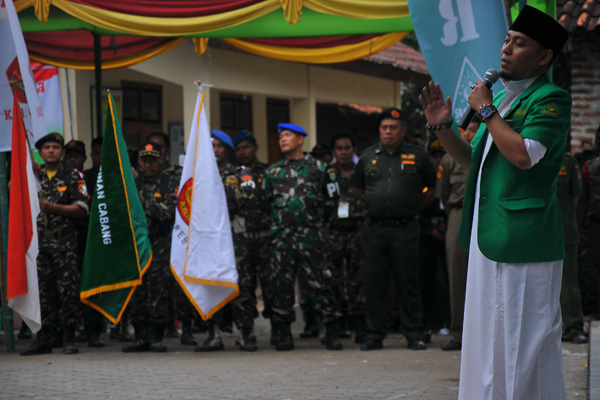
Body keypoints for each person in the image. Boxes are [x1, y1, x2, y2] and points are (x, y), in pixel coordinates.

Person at [419, 6, 570, 398]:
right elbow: (474, 160)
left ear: (544, 57)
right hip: (489, 239)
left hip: (525, 242)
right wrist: (442, 126)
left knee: (525, 343)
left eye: (519, 44)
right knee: (487, 341)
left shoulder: (550, 99)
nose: (506, 49)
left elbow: (524, 154)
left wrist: (486, 110)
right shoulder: (502, 98)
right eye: (506, 40)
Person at [354, 108, 436, 351]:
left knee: (408, 281)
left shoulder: (418, 156)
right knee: (375, 282)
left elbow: (431, 189)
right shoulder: (368, 156)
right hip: (375, 229)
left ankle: (413, 333)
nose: (387, 132)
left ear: (403, 131)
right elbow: (359, 190)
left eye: (392, 127)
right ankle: (374, 334)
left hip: (405, 228)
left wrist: (410, 207)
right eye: (384, 128)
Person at [262, 123, 342, 351]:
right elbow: (264, 203)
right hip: (282, 240)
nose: (282, 139)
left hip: (312, 239)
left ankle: (331, 331)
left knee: (321, 284)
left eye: (287, 135)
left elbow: (332, 201)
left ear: (300, 140)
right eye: (280, 136)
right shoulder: (272, 172)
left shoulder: (321, 168)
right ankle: (283, 332)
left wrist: (314, 224)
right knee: (281, 286)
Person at [20, 133, 89, 356]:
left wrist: (53, 208)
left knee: (67, 290)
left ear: (62, 153)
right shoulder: (32, 175)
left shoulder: (73, 175)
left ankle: (69, 337)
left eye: (55, 147)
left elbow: (81, 209)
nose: (51, 151)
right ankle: (43, 338)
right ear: (40, 153)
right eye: (46, 148)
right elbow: (14, 193)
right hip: (39, 245)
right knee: (42, 293)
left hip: (64, 243)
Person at [122, 142, 177, 353]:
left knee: (158, 291)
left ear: (161, 161)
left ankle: (156, 337)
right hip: (136, 245)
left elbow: (168, 212)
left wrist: (145, 203)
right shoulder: (133, 184)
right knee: (137, 291)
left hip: (159, 245)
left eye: (153, 160)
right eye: (144, 161)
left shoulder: (169, 184)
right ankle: (139, 337)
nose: (149, 165)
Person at [146, 132, 196, 346]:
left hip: (172, 239)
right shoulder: (139, 180)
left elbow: (175, 207)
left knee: (178, 287)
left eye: (158, 149)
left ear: (165, 153)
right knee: (155, 289)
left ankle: (186, 329)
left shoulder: (175, 177)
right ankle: (157, 331)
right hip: (148, 243)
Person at [227, 129, 273, 351]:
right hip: (241, 241)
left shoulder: (270, 173)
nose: (242, 152)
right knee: (243, 288)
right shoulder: (231, 177)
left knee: (272, 286)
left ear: (255, 148)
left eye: (246, 147)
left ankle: (279, 330)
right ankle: (246, 332)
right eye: (238, 149)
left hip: (266, 240)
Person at [435, 121, 478, 352]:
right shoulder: (449, 160)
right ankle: (458, 333)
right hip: (459, 215)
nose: (470, 133)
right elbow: (443, 197)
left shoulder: (493, 152)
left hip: (488, 215)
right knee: (457, 275)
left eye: (476, 128)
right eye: (468, 129)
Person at [195, 129, 236, 352]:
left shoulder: (236, 175)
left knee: (239, 287)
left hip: (231, 240)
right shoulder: (199, 177)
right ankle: (213, 334)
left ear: (227, 150)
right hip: (206, 241)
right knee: (208, 285)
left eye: (220, 146)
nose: (216, 150)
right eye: (212, 146)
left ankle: (245, 333)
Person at [63, 140, 105, 348]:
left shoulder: (92, 178)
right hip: (66, 240)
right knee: (68, 287)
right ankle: (69, 330)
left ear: (84, 158)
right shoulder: (60, 178)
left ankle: (93, 331)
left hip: (90, 239)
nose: (72, 159)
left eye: (76, 156)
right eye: (69, 155)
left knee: (92, 286)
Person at [326, 133, 366, 343]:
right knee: (332, 280)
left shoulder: (362, 172)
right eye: (339, 148)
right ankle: (335, 325)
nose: (343, 152)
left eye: (347, 148)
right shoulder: (328, 174)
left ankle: (359, 325)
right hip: (334, 232)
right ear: (334, 152)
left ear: (353, 149)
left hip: (357, 230)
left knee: (357, 280)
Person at [418, 136, 449, 343]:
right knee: (424, 281)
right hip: (427, 234)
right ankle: (425, 323)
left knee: (452, 281)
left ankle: (450, 321)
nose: (437, 159)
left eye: (441, 155)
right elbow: (417, 207)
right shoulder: (423, 178)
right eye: (434, 155)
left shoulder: (453, 170)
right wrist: (430, 228)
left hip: (449, 233)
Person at [557, 149, 588, 344]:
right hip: (533, 234)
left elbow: (577, 198)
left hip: (564, 231)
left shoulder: (567, 161)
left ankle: (573, 326)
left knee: (568, 284)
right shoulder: (522, 154)